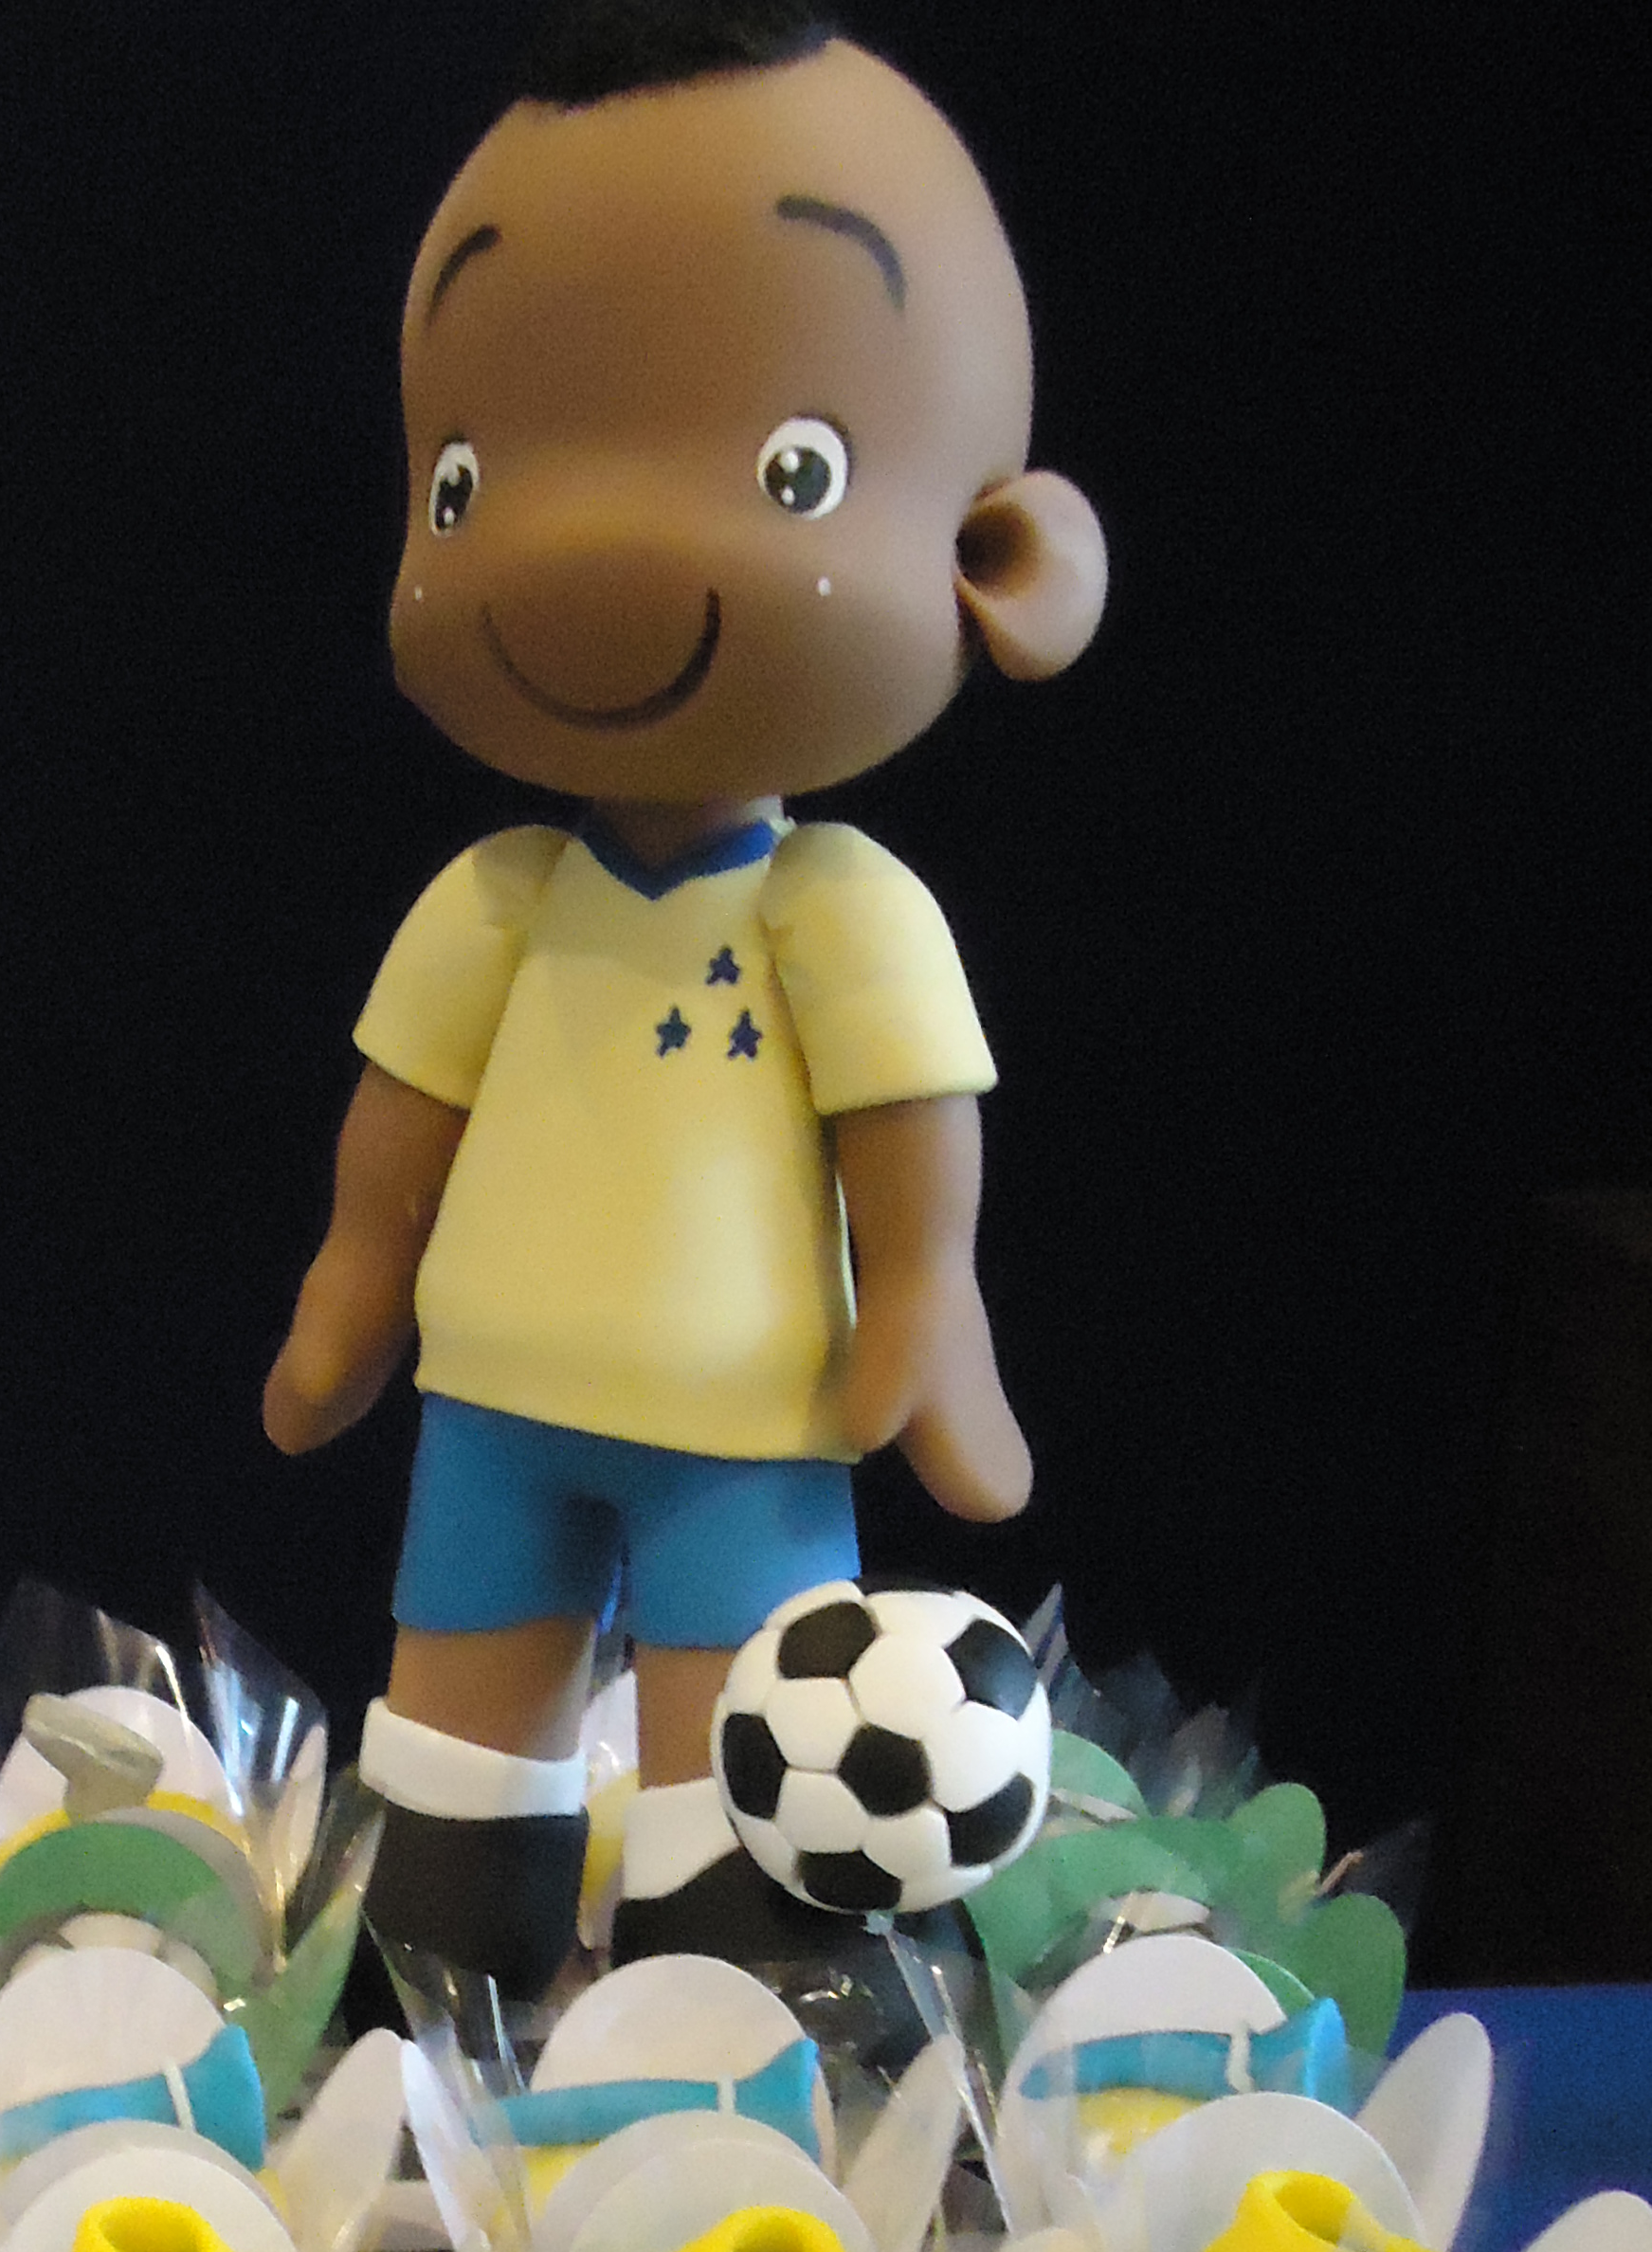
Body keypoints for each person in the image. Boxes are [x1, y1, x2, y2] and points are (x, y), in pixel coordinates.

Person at [263, 0, 1104, 1999]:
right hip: (491, 1404)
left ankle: (727, 1975)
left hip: (748, 1417)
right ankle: (448, 1937)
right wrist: (351, 1289)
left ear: (1004, 556)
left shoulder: (842, 910)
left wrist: (928, 1306)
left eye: (790, 471)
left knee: (740, 1724)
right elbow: (397, 1134)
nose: (579, 554)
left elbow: (911, 1148)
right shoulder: (496, 903)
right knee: (464, 1699)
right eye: (469, 485)